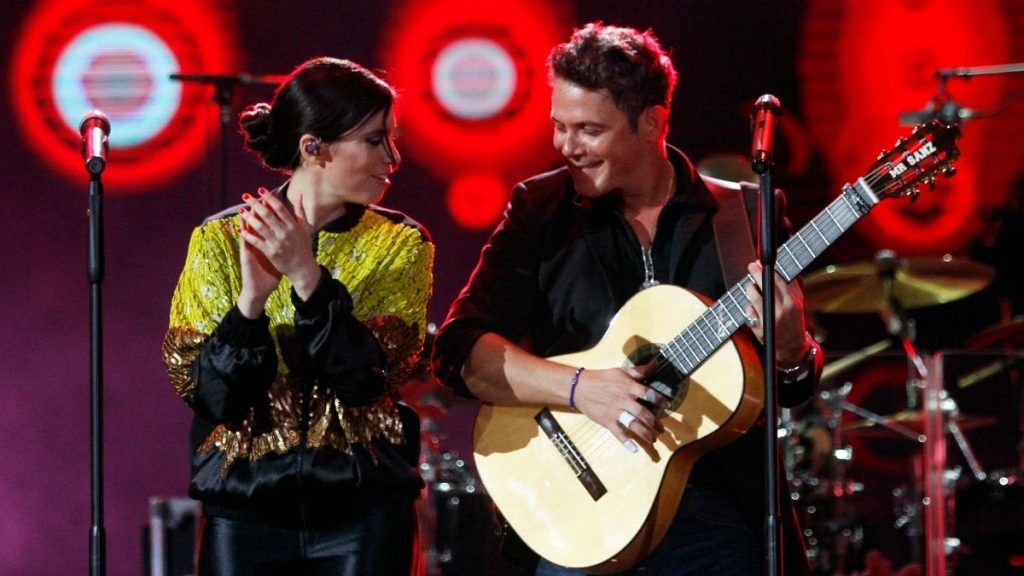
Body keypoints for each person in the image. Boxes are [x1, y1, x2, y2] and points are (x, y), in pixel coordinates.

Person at [431, 23, 823, 575]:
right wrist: (580, 389)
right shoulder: (540, 211)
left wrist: (790, 348)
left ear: (652, 123)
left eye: (589, 129)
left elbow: (788, 388)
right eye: (559, 127)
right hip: (581, 514)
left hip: (713, 514)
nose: (568, 147)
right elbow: (458, 351)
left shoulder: (745, 216)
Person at [162, 56, 434, 575]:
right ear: (314, 148)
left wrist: (308, 279)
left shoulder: (402, 243)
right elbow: (210, 396)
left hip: (364, 511)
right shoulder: (219, 239)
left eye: (392, 139)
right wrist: (251, 303)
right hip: (244, 516)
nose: (393, 157)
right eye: (376, 140)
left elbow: (367, 377)